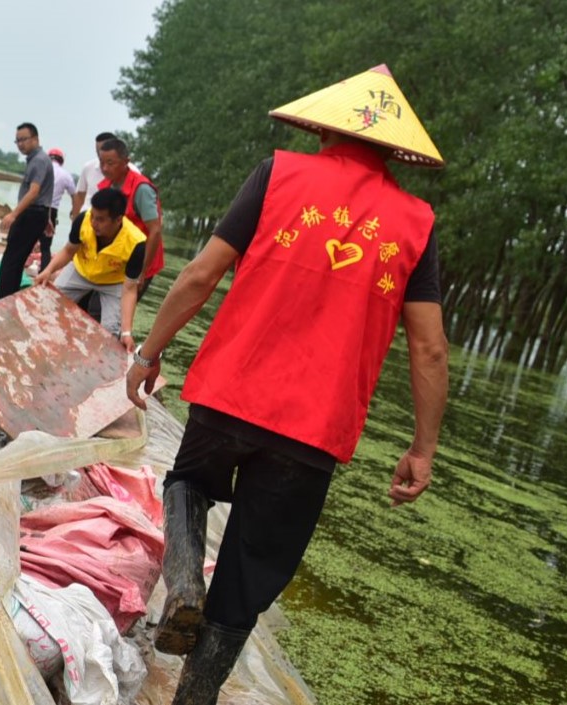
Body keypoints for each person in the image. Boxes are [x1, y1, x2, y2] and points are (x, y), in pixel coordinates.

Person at [125, 65, 449, 705]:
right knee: (250, 572)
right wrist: (423, 447)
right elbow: (430, 347)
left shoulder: (278, 175)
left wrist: (149, 352)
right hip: (314, 430)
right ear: (393, 151)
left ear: (324, 129)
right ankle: (195, 698)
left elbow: (200, 275)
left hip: (230, 391)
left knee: (188, 483)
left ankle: (184, 581)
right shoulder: (415, 223)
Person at [33, 189, 146, 351]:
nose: (93, 223)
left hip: (113, 283)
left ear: (118, 220)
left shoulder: (136, 243)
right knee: (49, 301)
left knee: (112, 332)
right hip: (81, 271)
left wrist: (127, 332)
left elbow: (129, 290)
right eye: (93, 216)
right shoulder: (83, 220)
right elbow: (69, 251)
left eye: (100, 219)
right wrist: (48, 271)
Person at [97, 138, 164, 297]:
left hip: (140, 261)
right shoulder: (105, 186)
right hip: (116, 259)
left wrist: (141, 272)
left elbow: (155, 231)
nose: (105, 168)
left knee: (118, 307)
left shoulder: (141, 190)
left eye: (110, 163)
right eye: (101, 163)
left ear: (126, 162)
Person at [0, 122, 54, 299]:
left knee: (11, 259)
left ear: (35, 139)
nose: (20, 144)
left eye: (24, 139)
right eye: (18, 141)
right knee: (18, 258)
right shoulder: (40, 159)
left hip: (31, 214)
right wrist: (47, 218)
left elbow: (34, 191)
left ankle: (4, 298)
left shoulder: (39, 160)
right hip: (37, 213)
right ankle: (10, 297)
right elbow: (46, 191)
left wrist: (14, 214)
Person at [39, 147, 76, 272]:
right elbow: (74, 195)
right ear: (61, 161)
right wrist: (74, 211)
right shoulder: (66, 175)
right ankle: (43, 273)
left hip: (34, 207)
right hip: (52, 210)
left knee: (26, 242)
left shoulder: (41, 169)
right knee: (45, 247)